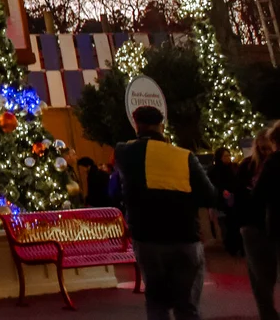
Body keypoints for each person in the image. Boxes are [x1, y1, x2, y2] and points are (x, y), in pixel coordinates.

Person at [110, 105, 220, 320]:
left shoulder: (125, 152)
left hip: (148, 237)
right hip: (185, 235)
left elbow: (117, 190)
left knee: (157, 303)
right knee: (187, 305)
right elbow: (209, 196)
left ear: (136, 125)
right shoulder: (184, 157)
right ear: (162, 125)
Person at [236, 128, 278, 320]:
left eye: (268, 148)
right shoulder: (248, 166)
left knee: (266, 274)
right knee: (261, 276)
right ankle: (267, 313)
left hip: (271, 224)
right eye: (262, 149)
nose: (266, 152)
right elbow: (241, 196)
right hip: (254, 225)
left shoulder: (273, 164)